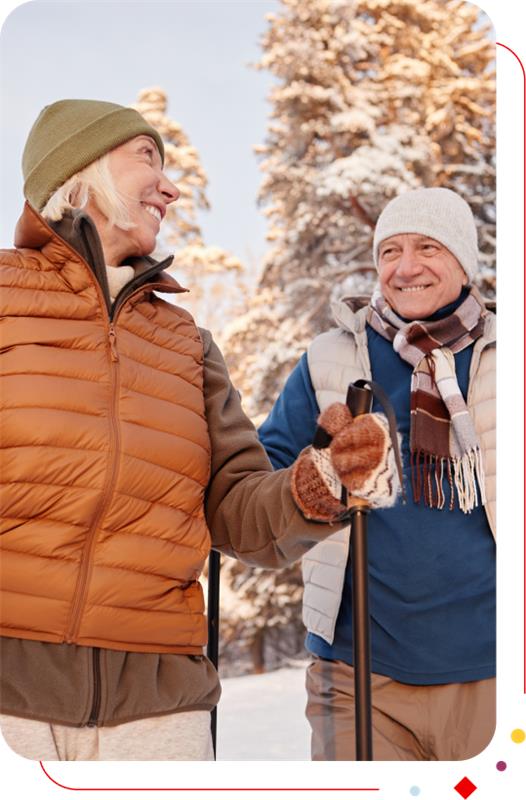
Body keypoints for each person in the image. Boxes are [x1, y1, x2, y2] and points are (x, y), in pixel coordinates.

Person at [0, 99, 395, 761]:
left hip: (158, 710)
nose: (171, 187)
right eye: (147, 158)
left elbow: (234, 510)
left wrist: (320, 484)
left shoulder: (186, 344)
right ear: (79, 171)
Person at [259, 187, 496, 761]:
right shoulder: (331, 359)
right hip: (359, 675)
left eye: (427, 248)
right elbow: (257, 491)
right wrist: (317, 476)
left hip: (497, 670)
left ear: (464, 260)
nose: (405, 267)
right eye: (390, 251)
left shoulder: (504, 355)